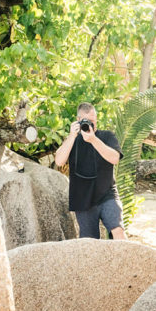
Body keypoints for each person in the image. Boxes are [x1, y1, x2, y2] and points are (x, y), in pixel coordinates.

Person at [55, 102, 128, 240]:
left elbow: (115, 158)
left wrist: (93, 140)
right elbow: (59, 161)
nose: (90, 125)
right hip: (83, 200)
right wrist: (72, 136)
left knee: (118, 231)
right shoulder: (73, 140)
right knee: (89, 244)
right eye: (87, 121)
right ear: (78, 120)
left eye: (93, 121)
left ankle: (127, 261)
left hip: (107, 195)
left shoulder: (107, 136)